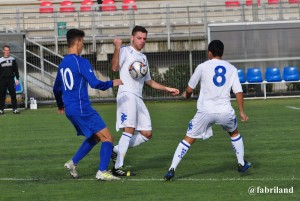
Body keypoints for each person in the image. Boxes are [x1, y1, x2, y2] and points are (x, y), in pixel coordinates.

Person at [163, 40, 251, 181]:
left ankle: (172, 169)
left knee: (188, 139)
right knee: (234, 133)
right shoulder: (231, 68)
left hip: (205, 111)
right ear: (222, 53)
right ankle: (241, 163)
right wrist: (241, 111)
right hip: (225, 111)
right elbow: (239, 91)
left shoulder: (202, 67)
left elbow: (190, 89)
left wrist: (185, 96)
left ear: (210, 52)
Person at [53, 29, 123, 181]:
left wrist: (60, 106)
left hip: (70, 110)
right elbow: (95, 83)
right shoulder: (81, 62)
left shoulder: (63, 62)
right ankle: (102, 171)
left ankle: (73, 163)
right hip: (82, 108)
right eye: (83, 42)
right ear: (78, 42)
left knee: (95, 137)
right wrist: (113, 82)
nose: (83, 46)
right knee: (108, 139)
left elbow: (56, 88)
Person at [111, 25, 180, 176]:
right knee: (129, 129)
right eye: (139, 38)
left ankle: (115, 150)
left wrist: (167, 88)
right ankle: (117, 168)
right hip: (126, 94)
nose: (142, 41)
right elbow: (115, 68)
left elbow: (149, 81)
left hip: (138, 97)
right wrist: (117, 47)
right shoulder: (125, 51)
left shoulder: (143, 58)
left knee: (147, 133)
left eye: (144, 39)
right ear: (132, 38)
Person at [0, 45, 21, 115]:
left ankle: (15, 109)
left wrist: (17, 79)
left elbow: (16, 70)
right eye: (5, 50)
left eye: (8, 50)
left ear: (9, 51)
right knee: (2, 95)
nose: (7, 52)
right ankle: (1, 110)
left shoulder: (13, 59)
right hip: (2, 80)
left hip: (11, 80)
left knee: (13, 95)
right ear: (3, 51)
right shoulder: (0, 60)